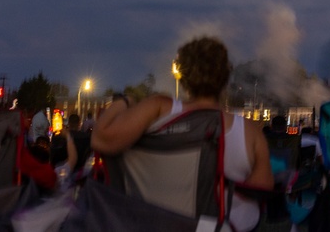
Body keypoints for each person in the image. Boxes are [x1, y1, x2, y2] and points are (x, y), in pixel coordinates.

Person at [91, 37, 273, 231]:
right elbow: (262, 187)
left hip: (148, 225)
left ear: (182, 75)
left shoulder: (157, 108)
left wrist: (124, 100)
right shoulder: (248, 131)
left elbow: (101, 139)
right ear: (225, 77)